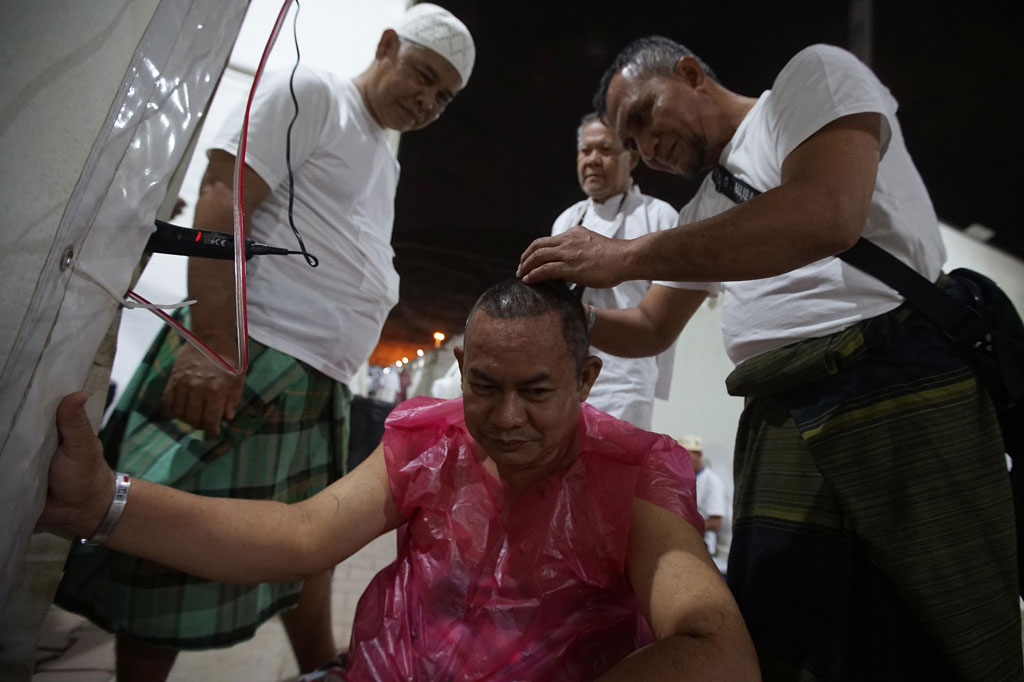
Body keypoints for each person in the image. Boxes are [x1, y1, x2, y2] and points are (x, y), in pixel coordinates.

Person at [519, 36, 1022, 681]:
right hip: (781, 415)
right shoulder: (704, 213)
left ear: (691, 72)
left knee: (940, 613)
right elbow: (649, 326)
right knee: (793, 632)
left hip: (896, 380)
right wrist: (572, 316)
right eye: (631, 140)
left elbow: (827, 213)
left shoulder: (812, 78)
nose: (646, 149)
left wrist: (623, 257)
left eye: (643, 117)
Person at [39, 279, 761, 682]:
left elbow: (715, 646)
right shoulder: (429, 441)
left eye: (537, 392)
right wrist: (103, 502)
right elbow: (301, 537)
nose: (506, 417)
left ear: (586, 379)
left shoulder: (632, 475)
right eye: (484, 385)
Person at [54, 5, 475, 680]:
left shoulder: (383, 156)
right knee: (176, 548)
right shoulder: (313, 93)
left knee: (308, 547)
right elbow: (222, 196)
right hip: (251, 357)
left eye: (443, 97)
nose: (427, 101)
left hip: (316, 380)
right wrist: (213, 343)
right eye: (423, 77)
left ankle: (322, 669)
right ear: (388, 44)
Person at [551, 112, 704, 429]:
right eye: (585, 150)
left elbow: (668, 307)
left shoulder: (658, 216)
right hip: (566, 368)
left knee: (615, 468)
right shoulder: (567, 220)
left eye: (605, 150)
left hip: (625, 374)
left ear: (631, 158)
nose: (593, 160)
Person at [678, 435, 729, 575]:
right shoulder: (684, 480)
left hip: (703, 548)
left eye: (687, 455)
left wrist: (685, 526)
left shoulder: (712, 482)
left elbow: (716, 522)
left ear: (698, 455)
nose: (683, 460)